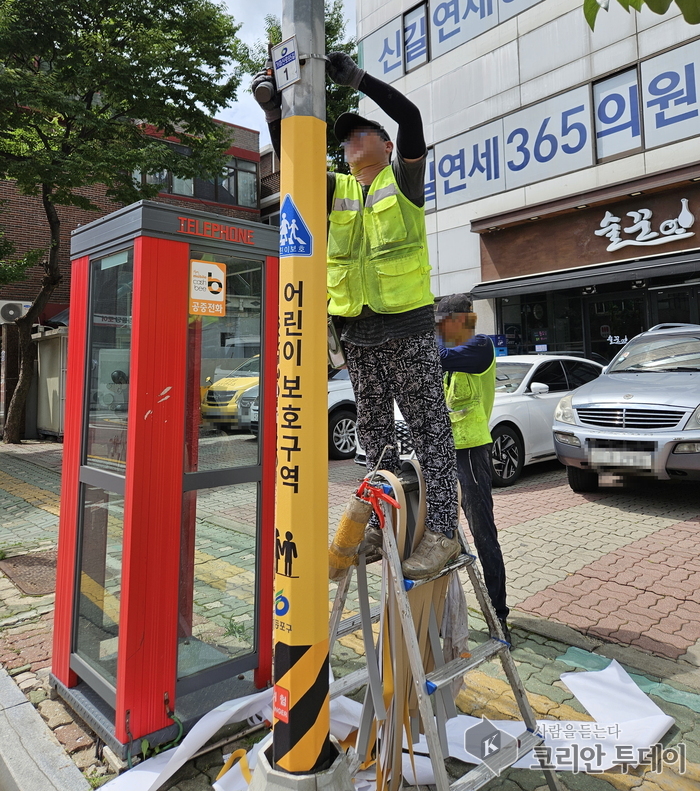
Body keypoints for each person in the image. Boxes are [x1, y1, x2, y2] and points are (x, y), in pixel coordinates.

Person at [252, 53, 460, 579]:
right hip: (359, 332)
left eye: (362, 132)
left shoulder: (403, 182)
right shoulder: (336, 190)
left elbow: (410, 117)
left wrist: (358, 81)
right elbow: (295, 166)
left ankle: (442, 533)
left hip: (408, 327)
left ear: (386, 145)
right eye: (345, 139)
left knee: (430, 428)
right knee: (374, 432)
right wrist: (275, 115)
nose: (351, 142)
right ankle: (374, 524)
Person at [435, 294, 511, 643]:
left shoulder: (479, 347)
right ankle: (441, 615)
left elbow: (440, 356)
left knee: (484, 533)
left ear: (460, 320)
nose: (438, 329)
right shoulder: (447, 353)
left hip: (471, 452)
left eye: (442, 323)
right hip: (443, 453)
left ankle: (499, 615)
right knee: (437, 536)